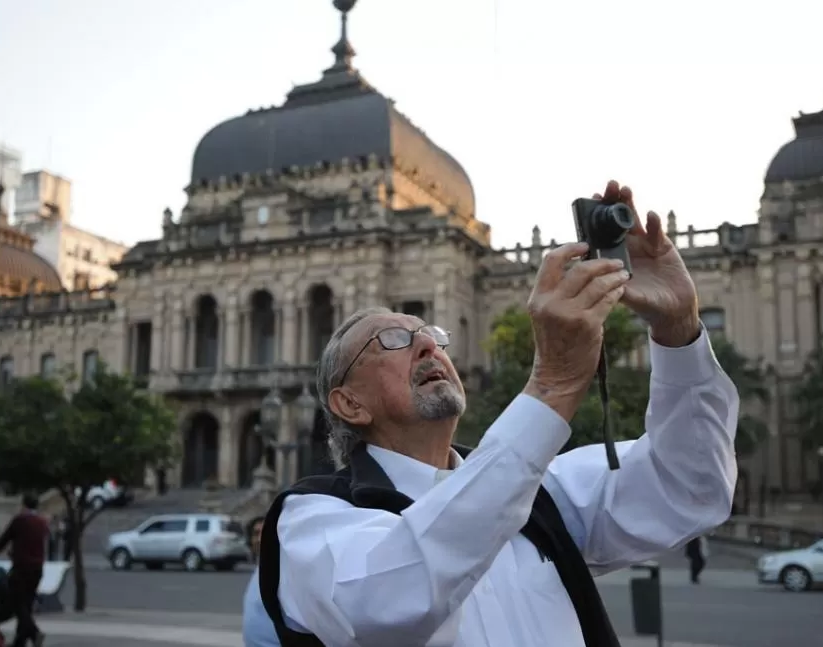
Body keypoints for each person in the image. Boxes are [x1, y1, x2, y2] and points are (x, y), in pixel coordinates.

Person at [256, 181, 740, 647]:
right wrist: (551, 385)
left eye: (431, 333)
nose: (428, 344)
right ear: (349, 403)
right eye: (395, 340)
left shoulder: (542, 494)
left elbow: (691, 487)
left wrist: (679, 330)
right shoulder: (311, 520)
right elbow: (386, 603)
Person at [0, 494, 47, 647]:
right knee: (27, 603)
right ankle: (20, 640)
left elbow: (5, 539)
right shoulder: (42, 522)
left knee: (17, 602)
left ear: (24, 505)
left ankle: (34, 632)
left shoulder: (20, 521)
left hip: (22, 568)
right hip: (37, 568)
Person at [243, 520, 279, 647]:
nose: (260, 539)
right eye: (256, 533)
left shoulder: (282, 571)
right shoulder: (259, 569)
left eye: (265, 533)